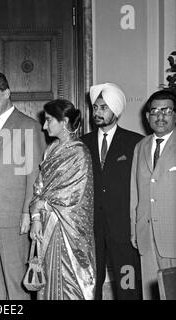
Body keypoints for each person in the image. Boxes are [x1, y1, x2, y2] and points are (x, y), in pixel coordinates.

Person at [0, 72, 45, 300]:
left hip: (14, 217)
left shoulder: (29, 126)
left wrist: (28, 212)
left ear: (7, 93)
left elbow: (34, 175)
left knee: (16, 283)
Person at [81, 83, 143, 300]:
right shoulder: (83, 144)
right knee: (90, 282)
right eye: (95, 107)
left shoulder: (135, 143)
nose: (97, 112)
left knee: (128, 282)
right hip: (90, 227)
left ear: (115, 111)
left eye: (103, 108)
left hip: (123, 227)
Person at [30, 99, 96, 300]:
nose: (44, 126)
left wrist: (44, 203)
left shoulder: (79, 152)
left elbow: (76, 194)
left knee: (69, 281)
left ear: (64, 121)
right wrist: (35, 217)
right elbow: (39, 186)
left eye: (48, 120)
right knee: (48, 275)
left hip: (68, 228)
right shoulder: (50, 149)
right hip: (46, 223)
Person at [130, 89, 176, 300]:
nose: (160, 116)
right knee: (151, 295)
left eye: (166, 111)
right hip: (146, 235)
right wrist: (134, 230)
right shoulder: (141, 146)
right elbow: (134, 192)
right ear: (147, 116)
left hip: (172, 235)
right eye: (155, 111)